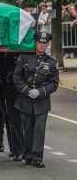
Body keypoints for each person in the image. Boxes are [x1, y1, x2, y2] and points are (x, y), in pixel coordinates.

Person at [13, 31, 59, 168]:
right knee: (27, 129)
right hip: (25, 99)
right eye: (39, 42)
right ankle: (27, 154)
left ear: (47, 44)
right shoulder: (24, 58)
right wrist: (27, 91)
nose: (41, 46)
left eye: (44, 43)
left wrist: (40, 91)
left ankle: (37, 157)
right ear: (35, 43)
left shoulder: (51, 62)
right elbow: (17, 77)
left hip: (41, 101)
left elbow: (54, 83)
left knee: (39, 129)